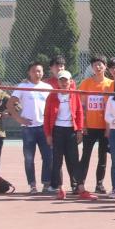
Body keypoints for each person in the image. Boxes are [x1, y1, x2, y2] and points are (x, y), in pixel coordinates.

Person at [44, 70, 96, 201]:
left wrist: (79, 130)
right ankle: (60, 189)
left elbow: (79, 112)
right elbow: (47, 116)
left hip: (71, 131)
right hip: (57, 131)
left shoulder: (74, 94)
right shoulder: (52, 96)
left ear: (70, 81)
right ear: (58, 82)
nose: (63, 83)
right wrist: (48, 134)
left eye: (66, 80)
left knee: (74, 160)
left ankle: (80, 188)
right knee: (57, 160)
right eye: (61, 80)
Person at [9, 62, 54, 194]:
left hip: (44, 128)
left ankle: (46, 183)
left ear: (43, 72)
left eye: (39, 71)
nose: (37, 73)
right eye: (34, 71)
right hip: (28, 128)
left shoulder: (48, 87)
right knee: (29, 159)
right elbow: (10, 104)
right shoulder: (22, 86)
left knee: (48, 157)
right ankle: (32, 185)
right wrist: (19, 119)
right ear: (29, 72)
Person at [78, 55, 113, 194]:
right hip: (89, 127)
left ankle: (99, 184)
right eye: (95, 65)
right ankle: (80, 183)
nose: (98, 67)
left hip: (105, 127)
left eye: (100, 64)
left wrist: (109, 127)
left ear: (105, 67)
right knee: (85, 155)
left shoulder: (111, 84)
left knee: (102, 156)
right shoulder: (86, 83)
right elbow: (82, 106)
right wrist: (83, 125)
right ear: (91, 67)